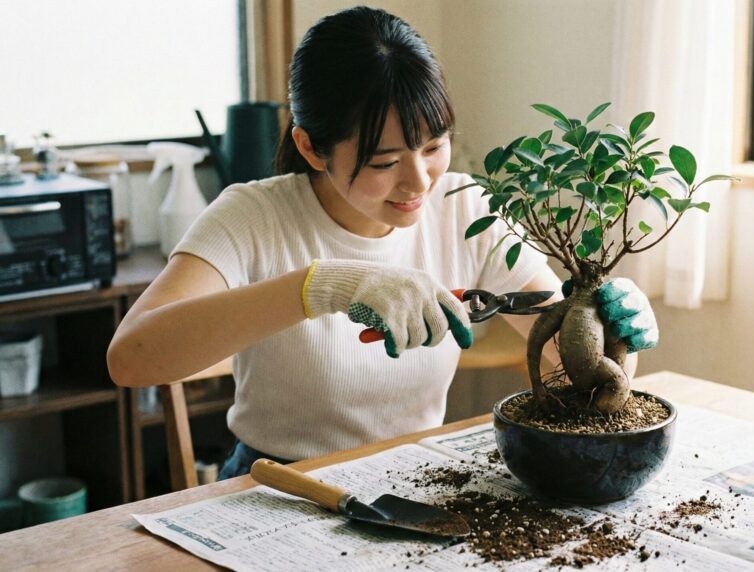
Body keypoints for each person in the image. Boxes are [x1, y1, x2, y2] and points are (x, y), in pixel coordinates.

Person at [107, 6, 657, 480]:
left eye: (434, 146)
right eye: (384, 162)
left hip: (412, 474)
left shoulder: (465, 206)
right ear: (311, 146)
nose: (419, 182)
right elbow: (131, 360)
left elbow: (570, 361)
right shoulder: (253, 215)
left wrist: (610, 336)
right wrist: (318, 288)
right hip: (277, 482)